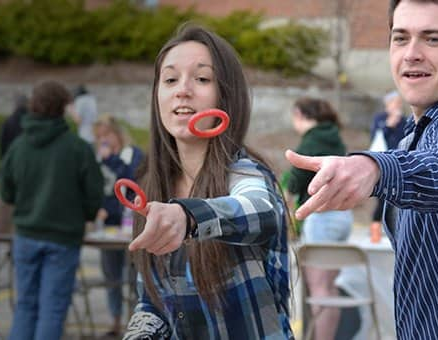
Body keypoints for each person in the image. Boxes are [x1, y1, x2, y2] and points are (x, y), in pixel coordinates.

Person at [285, 1, 438, 338]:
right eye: (401, 38)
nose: (411, 53)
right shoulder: (421, 132)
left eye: (433, 39)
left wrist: (375, 167)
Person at [122, 25, 292, 339]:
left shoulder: (246, 172)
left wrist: (187, 217)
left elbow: (260, 210)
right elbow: (153, 304)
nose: (182, 90)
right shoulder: (153, 187)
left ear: (225, 96)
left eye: (202, 79)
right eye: (170, 79)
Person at [0, 80, 104, 340]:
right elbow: (94, 193)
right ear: (64, 107)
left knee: (25, 305)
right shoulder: (78, 148)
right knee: (52, 310)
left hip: (26, 234)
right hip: (63, 237)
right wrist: (86, 216)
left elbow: (6, 191)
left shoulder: (19, 146)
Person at [282, 97, 350, 340]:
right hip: (343, 216)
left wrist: (288, 196)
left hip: (322, 218)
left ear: (299, 114)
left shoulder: (311, 139)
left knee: (320, 290)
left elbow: (296, 178)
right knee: (329, 289)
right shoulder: (334, 136)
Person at [92, 114, 144, 338]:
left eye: (107, 135)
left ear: (117, 134)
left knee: (134, 278)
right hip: (108, 227)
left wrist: (110, 160)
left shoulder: (131, 154)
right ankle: (115, 321)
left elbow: (129, 181)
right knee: (111, 276)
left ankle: (136, 321)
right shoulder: (100, 158)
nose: (104, 140)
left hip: (130, 224)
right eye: (100, 137)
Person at [367, 91, 409, 235]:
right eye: (395, 103)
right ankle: (375, 230)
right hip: (382, 162)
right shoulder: (380, 118)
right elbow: (375, 137)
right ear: (388, 104)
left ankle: (392, 229)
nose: (398, 106)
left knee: (394, 198)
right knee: (381, 197)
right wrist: (388, 125)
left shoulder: (404, 120)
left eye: (399, 103)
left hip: (398, 163)